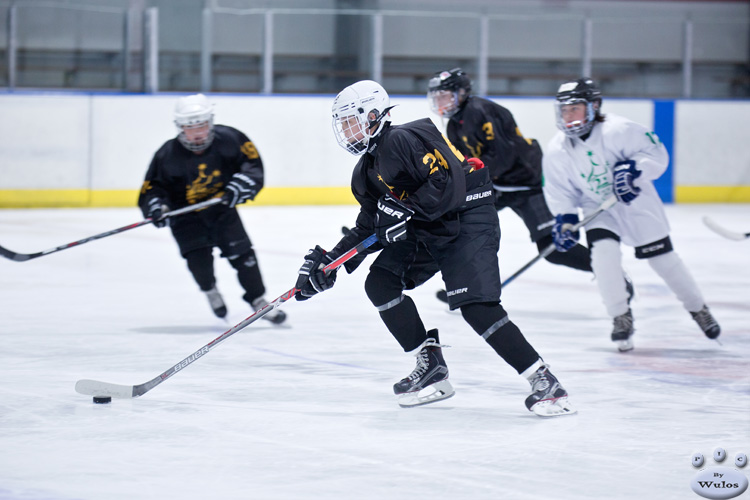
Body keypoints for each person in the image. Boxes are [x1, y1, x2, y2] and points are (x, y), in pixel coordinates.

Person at [294, 80, 575, 417]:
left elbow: (446, 182)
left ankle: (544, 380)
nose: (345, 130)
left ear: (372, 114)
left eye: (350, 120)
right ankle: (431, 366)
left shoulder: (400, 139)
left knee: (475, 306)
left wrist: (405, 208)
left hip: (467, 215)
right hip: (429, 222)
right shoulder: (366, 171)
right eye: (341, 124)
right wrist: (330, 263)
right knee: (380, 282)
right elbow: (370, 226)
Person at [542, 77, 719, 351]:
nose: (568, 116)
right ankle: (620, 317)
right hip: (597, 208)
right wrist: (565, 218)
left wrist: (635, 170)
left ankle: (698, 309)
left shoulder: (620, 130)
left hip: (637, 206)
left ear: (594, 106)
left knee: (664, 261)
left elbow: (655, 153)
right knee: (603, 257)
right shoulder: (557, 149)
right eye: (564, 110)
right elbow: (559, 191)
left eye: (574, 108)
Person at [427, 68, 605, 303]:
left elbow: (504, 155)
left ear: (461, 93)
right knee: (459, 230)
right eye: (436, 97)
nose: (440, 102)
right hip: (497, 185)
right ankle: (466, 288)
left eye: (445, 96)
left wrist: (471, 181)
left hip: (527, 184)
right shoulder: (454, 125)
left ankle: (609, 272)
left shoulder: (482, 111)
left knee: (555, 249)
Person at [138, 93, 286, 325]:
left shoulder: (231, 139)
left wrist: (244, 183)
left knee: (244, 256)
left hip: (221, 210)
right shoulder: (167, 154)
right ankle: (210, 290)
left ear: (210, 122)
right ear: (180, 127)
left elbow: (252, 166)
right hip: (185, 217)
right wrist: (157, 206)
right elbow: (152, 188)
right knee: (200, 264)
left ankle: (258, 299)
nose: (197, 133)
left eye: (202, 125)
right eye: (189, 127)